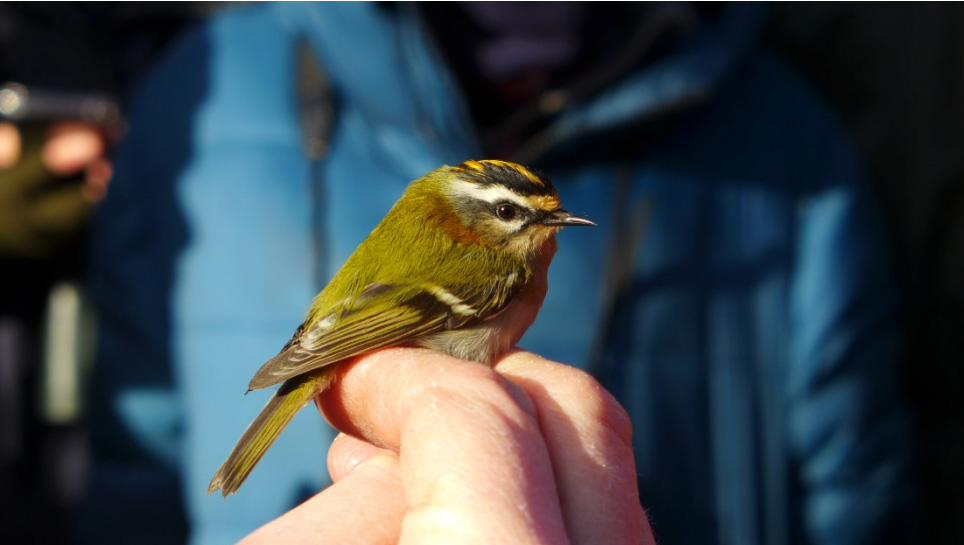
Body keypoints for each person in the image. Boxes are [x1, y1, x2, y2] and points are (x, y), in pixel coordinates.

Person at [86, 3, 916, 544]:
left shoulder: (783, 130)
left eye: (546, 215)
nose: (542, 232)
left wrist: (308, 349)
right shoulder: (489, 269)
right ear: (478, 221)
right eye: (521, 219)